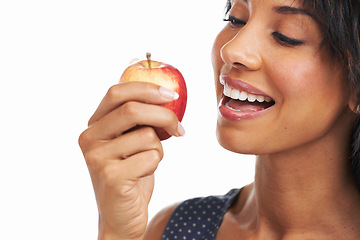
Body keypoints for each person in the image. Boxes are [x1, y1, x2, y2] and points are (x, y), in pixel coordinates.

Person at [78, 0, 360, 239]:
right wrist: (115, 230)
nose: (231, 50)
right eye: (236, 18)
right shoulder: (177, 228)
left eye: (286, 36)